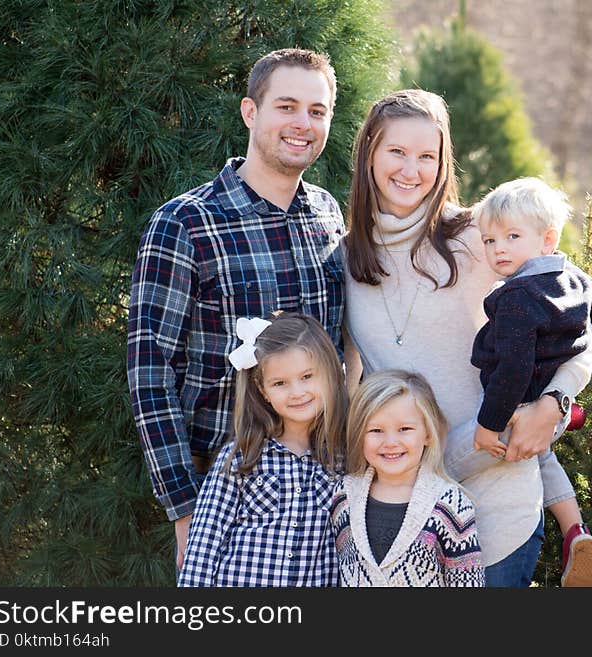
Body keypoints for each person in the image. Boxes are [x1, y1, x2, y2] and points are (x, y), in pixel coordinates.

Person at [342, 89, 592, 587]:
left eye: (427, 156)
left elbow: (578, 322)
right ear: (369, 152)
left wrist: (556, 403)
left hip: (497, 509)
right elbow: (351, 387)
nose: (410, 170)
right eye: (396, 151)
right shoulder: (345, 258)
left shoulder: (482, 235)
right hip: (404, 525)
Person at [127, 48, 345, 573]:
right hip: (223, 499)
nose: (302, 124)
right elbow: (148, 370)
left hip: (323, 489)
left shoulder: (328, 215)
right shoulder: (184, 223)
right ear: (251, 112)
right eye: (286, 107)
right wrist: (185, 509)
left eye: (317, 111)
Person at [470, 177, 592, 587]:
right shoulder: (572, 276)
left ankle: (573, 533)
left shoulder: (517, 296)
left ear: (547, 238)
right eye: (490, 240)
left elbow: (512, 368)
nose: (499, 250)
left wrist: (489, 423)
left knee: (537, 457)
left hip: (527, 401)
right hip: (557, 398)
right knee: (545, 458)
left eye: (512, 237)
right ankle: (575, 531)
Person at [178, 311, 347, 586]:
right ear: (263, 390)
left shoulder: (344, 460)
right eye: (280, 383)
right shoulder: (243, 455)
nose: (296, 392)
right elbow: (204, 543)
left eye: (307, 376)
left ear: (329, 373)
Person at [331, 369, 484, 586]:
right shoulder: (343, 496)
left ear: (428, 434)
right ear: (359, 434)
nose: (391, 441)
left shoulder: (451, 506)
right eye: (376, 430)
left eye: (404, 429)